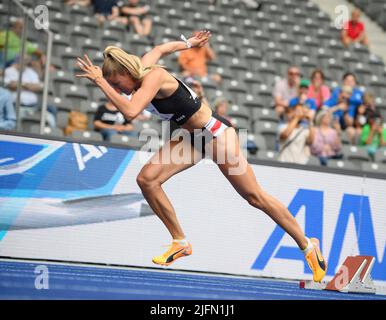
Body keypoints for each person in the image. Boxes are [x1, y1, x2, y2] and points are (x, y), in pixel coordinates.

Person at [75, 30, 327, 283]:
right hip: (192, 138)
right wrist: (188, 43)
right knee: (147, 179)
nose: (120, 90)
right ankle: (180, 241)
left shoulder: (153, 75)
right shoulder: (144, 65)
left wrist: (101, 82)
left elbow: (130, 111)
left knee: (255, 197)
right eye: (115, 87)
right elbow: (162, 48)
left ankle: (307, 245)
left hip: (216, 134)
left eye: (119, 84)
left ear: (129, 73)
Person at [4, 55, 56, 127]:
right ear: (17, 61)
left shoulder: (31, 72)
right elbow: (12, 85)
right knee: (14, 125)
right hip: (15, 106)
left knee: (50, 116)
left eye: (26, 62)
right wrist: (28, 86)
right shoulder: (9, 70)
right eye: (23, 61)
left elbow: (37, 87)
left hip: (33, 107)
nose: (25, 63)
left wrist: (21, 84)